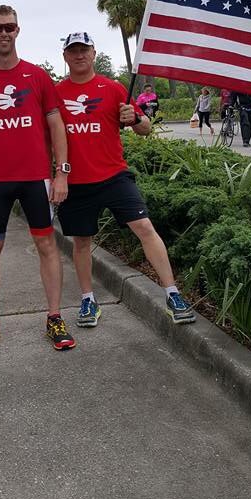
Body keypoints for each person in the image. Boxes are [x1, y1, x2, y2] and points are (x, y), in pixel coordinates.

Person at [56, 32, 196, 327]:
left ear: (94, 54)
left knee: (144, 227)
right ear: (66, 57)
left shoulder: (113, 88)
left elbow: (145, 128)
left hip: (114, 175)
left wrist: (134, 117)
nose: (79, 55)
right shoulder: (56, 92)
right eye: (73, 51)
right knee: (82, 242)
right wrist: (56, 175)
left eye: (84, 50)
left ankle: (172, 294)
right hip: (76, 181)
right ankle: (87, 300)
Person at [0, 4, 76, 354]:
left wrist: (61, 174)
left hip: (36, 179)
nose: (4, 33)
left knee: (46, 245)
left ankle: (54, 317)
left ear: (18, 29)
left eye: (9, 26)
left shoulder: (37, 77)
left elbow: (57, 125)